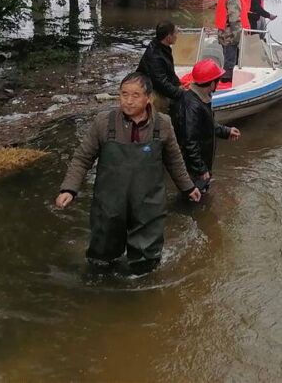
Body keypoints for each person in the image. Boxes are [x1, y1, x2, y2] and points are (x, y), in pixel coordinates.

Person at [55, 72, 201, 274]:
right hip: (110, 203)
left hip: (148, 203)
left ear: (148, 97)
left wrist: (188, 187)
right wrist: (69, 189)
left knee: (146, 263)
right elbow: (82, 158)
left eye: (135, 95)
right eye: (124, 94)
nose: (129, 101)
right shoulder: (103, 123)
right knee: (102, 259)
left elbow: (174, 160)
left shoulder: (163, 124)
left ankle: (143, 290)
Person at [171, 59, 241, 193]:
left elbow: (207, 124)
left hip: (201, 162)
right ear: (212, 83)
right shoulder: (192, 106)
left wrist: (226, 131)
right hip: (194, 166)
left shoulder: (200, 98)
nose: (219, 83)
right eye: (218, 80)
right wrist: (200, 169)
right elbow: (189, 141)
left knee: (201, 192)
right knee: (194, 195)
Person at [136, 21, 184, 113]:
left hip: (156, 85)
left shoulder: (163, 47)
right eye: (175, 33)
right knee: (162, 105)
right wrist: (180, 93)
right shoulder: (155, 56)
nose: (177, 36)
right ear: (168, 37)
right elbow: (161, 83)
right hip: (150, 89)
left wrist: (178, 84)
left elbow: (170, 72)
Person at [215, 0, 250, 81]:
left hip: (223, 33)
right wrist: (238, 37)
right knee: (230, 60)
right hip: (230, 34)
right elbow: (234, 19)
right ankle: (227, 80)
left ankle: (226, 77)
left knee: (227, 57)